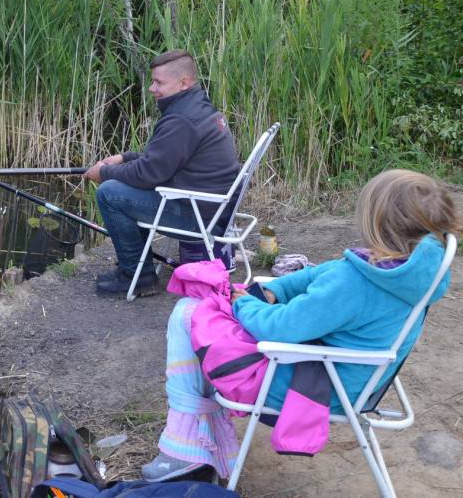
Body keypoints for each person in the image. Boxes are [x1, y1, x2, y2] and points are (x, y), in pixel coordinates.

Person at [142, 169, 461, 482]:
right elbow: (326, 272)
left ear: (376, 224)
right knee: (202, 315)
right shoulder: (410, 269)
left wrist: (245, 302)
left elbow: (278, 329)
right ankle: (195, 438)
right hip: (352, 378)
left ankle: (184, 447)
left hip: (309, 390)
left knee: (189, 313)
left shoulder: (352, 285)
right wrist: (274, 289)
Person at [84, 49, 240, 296]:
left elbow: (148, 174)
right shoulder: (197, 105)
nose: (151, 88)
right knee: (124, 186)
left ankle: (136, 274)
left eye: (159, 82)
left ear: (183, 83)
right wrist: (124, 158)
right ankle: (138, 270)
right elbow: (163, 162)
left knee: (109, 193)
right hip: (210, 207)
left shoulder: (181, 118)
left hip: (199, 217)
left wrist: (104, 173)